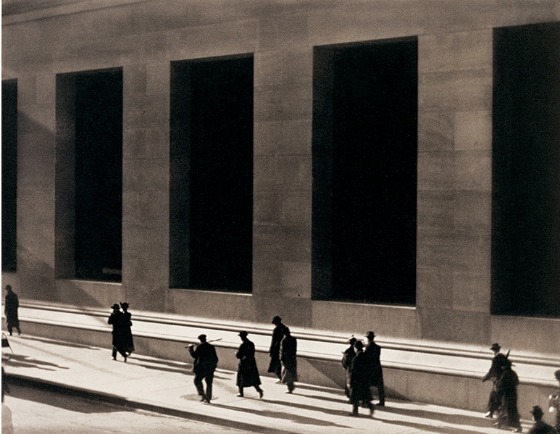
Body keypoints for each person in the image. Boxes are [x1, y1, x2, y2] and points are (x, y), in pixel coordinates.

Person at [188, 334, 218, 403]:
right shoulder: (211, 346)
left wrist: (190, 348)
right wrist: (213, 367)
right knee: (209, 383)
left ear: (200, 340)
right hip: (210, 368)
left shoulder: (200, 347)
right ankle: (208, 397)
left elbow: (194, 355)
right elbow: (215, 358)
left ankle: (203, 395)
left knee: (197, 381)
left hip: (201, 368)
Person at [482, 342, 510, 418]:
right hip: (503, 380)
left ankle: (491, 412)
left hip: (497, 381)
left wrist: (485, 378)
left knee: (493, 396)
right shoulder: (503, 357)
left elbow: (492, 370)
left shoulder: (495, 359)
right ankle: (493, 412)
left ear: (494, 351)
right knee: (498, 397)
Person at [495, 358, 522, 432]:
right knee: (510, 410)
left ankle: (517, 427)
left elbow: (500, 384)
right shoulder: (513, 373)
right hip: (513, 394)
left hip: (506, 395)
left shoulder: (505, 374)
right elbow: (517, 382)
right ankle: (501, 423)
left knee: (506, 410)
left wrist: (497, 382)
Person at [349, 340, 374, 417]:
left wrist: (351, 381)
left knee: (355, 397)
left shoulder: (355, 359)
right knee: (364, 395)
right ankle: (371, 407)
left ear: (356, 348)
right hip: (364, 380)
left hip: (357, 380)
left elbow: (353, 372)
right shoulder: (366, 357)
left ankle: (355, 412)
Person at [235, 331, 263, 399]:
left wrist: (236, 353)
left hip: (243, 364)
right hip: (251, 363)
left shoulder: (243, 345)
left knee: (241, 378)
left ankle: (240, 393)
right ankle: (259, 390)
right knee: (252, 378)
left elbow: (238, 355)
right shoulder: (251, 344)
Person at [364, 331, 385, 406]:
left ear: (367, 338)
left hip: (370, 369)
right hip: (377, 367)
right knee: (380, 386)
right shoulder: (378, 347)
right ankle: (382, 401)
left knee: (366, 384)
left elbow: (366, 358)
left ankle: (366, 400)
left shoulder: (367, 348)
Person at [267, 316, 286, 383]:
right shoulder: (284, 328)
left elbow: (273, 341)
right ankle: (282, 377)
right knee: (282, 364)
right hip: (284, 348)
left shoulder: (276, 329)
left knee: (277, 364)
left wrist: (271, 350)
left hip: (277, 348)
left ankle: (279, 377)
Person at [280, 327, 298, 393]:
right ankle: (291, 387)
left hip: (286, 360)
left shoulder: (284, 340)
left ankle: (290, 387)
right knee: (290, 373)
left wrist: (281, 358)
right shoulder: (293, 339)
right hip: (292, 359)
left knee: (286, 374)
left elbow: (282, 350)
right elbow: (294, 350)